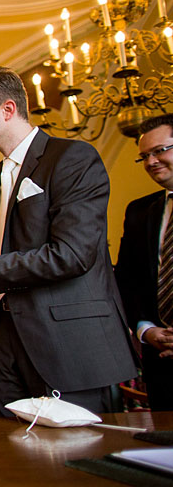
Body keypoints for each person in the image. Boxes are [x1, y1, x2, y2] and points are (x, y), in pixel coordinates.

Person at [0, 66, 136, 417]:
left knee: (73, 458)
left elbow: (70, 255)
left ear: (7, 110)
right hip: (6, 337)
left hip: (68, 341)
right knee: (6, 451)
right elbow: (6, 254)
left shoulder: (72, 159)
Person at [116, 114, 173, 410]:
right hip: (161, 363)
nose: (151, 162)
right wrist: (145, 329)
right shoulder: (140, 212)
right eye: (144, 156)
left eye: (160, 151)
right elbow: (127, 280)